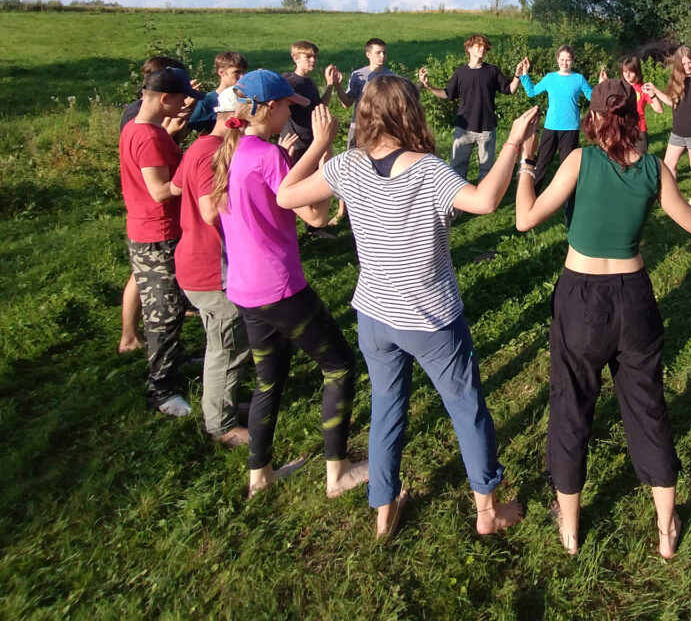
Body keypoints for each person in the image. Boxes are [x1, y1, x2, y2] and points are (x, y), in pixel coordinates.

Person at [277, 76, 538, 539]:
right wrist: (515, 142)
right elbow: (486, 200)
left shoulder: (346, 165)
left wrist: (318, 147)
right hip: (431, 319)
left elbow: (285, 196)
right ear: (410, 113)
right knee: (466, 408)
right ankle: (487, 512)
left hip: (374, 314)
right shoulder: (429, 170)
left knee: (386, 407)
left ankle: (383, 510)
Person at [515, 78, 691, 559]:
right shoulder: (655, 169)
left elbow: (525, 217)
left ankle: (570, 530)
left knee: (571, 407)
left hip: (580, 299)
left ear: (592, 118)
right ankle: (665, 528)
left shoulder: (580, 160)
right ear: (636, 119)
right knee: (646, 406)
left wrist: (526, 163)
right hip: (635, 298)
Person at [211, 69, 368, 497]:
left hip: (243, 291)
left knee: (269, 380)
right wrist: (321, 147)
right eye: (286, 107)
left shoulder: (230, 151)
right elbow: (316, 217)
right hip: (280, 290)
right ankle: (338, 472)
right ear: (267, 108)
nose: (289, 115)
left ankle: (258, 476)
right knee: (339, 365)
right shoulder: (268, 157)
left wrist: (296, 157)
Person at [168, 87, 251, 448]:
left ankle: (222, 402)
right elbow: (209, 210)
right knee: (227, 346)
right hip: (210, 268)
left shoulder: (198, 147)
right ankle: (221, 424)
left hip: (195, 261)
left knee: (224, 341)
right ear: (235, 118)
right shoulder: (212, 153)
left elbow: (174, 186)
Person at [118, 67, 202, 416]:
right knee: (164, 313)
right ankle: (162, 391)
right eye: (182, 98)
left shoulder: (140, 128)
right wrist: (194, 171)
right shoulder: (149, 137)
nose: (186, 104)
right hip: (157, 233)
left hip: (154, 230)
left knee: (170, 306)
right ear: (164, 98)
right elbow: (159, 190)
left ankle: (175, 359)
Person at [418, 34, 523, 182]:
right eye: (478, 46)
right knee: (456, 169)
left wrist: (517, 76)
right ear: (469, 49)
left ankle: (483, 202)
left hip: (486, 128)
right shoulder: (460, 72)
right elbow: (448, 94)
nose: (482, 49)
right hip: (464, 128)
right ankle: (457, 202)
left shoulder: (492, 71)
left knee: (486, 170)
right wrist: (428, 86)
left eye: (484, 46)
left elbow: (509, 90)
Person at [644, 46, 691, 207]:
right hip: (679, 130)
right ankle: (672, 197)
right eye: (684, 63)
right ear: (678, 65)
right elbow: (672, 102)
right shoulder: (677, 80)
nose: (688, 66)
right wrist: (655, 90)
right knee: (669, 164)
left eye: (690, 62)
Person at [282, 40, 340, 238]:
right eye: (308, 57)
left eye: (315, 56)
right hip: (294, 143)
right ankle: (288, 230)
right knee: (292, 189)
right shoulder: (289, 81)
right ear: (295, 58)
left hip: (312, 142)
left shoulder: (309, 83)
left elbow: (319, 107)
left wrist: (330, 85)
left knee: (314, 187)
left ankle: (314, 229)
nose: (313, 60)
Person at [517, 45, 592, 187]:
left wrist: (602, 85)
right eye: (562, 59)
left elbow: (592, 96)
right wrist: (524, 74)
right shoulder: (550, 78)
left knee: (568, 167)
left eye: (568, 60)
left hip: (571, 129)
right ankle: (532, 194)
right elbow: (532, 92)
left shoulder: (579, 79)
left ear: (573, 61)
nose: (565, 63)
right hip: (551, 127)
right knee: (542, 163)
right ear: (557, 60)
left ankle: (567, 201)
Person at [336, 38, 395, 150]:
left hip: (382, 126)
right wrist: (337, 85)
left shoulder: (391, 76)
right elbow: (347, 103)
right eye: (378, 53)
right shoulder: (358, 75)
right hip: (360, 125)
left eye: (384, 52)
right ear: (368, 54)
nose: (382, 56)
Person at [185, 51, 249, 135]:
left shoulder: (246, 99)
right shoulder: (207, 102)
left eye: (243, 72)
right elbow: (188, 131)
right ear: (221, 72)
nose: (242, 76)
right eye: (237, 72)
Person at [617, 56, 663, 153]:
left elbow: (659, 110)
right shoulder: (619, 87)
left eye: (631, 72)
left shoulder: (643, 89)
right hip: (622, 128)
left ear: (637, 72)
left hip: (639, 130)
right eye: (625, 71)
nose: (627, 75)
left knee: (640, 160)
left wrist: (653, 95)